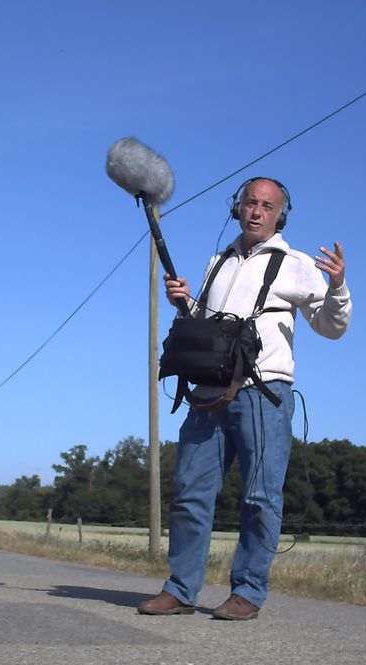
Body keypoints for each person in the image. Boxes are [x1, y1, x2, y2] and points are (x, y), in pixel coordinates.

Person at [138, 177, 352, 620]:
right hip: (210, 389)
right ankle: (180, 589)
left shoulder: (294, 264)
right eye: (250, 203)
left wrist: (336, 288)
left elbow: (332, 327)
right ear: (237, 208)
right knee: (189, 491)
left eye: (267, 206)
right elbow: (213, 328)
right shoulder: (218, 262)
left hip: (264, 392)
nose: (257, 211)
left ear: (281, 215)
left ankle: (247, 593)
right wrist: (185, 303)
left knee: (259, 496)